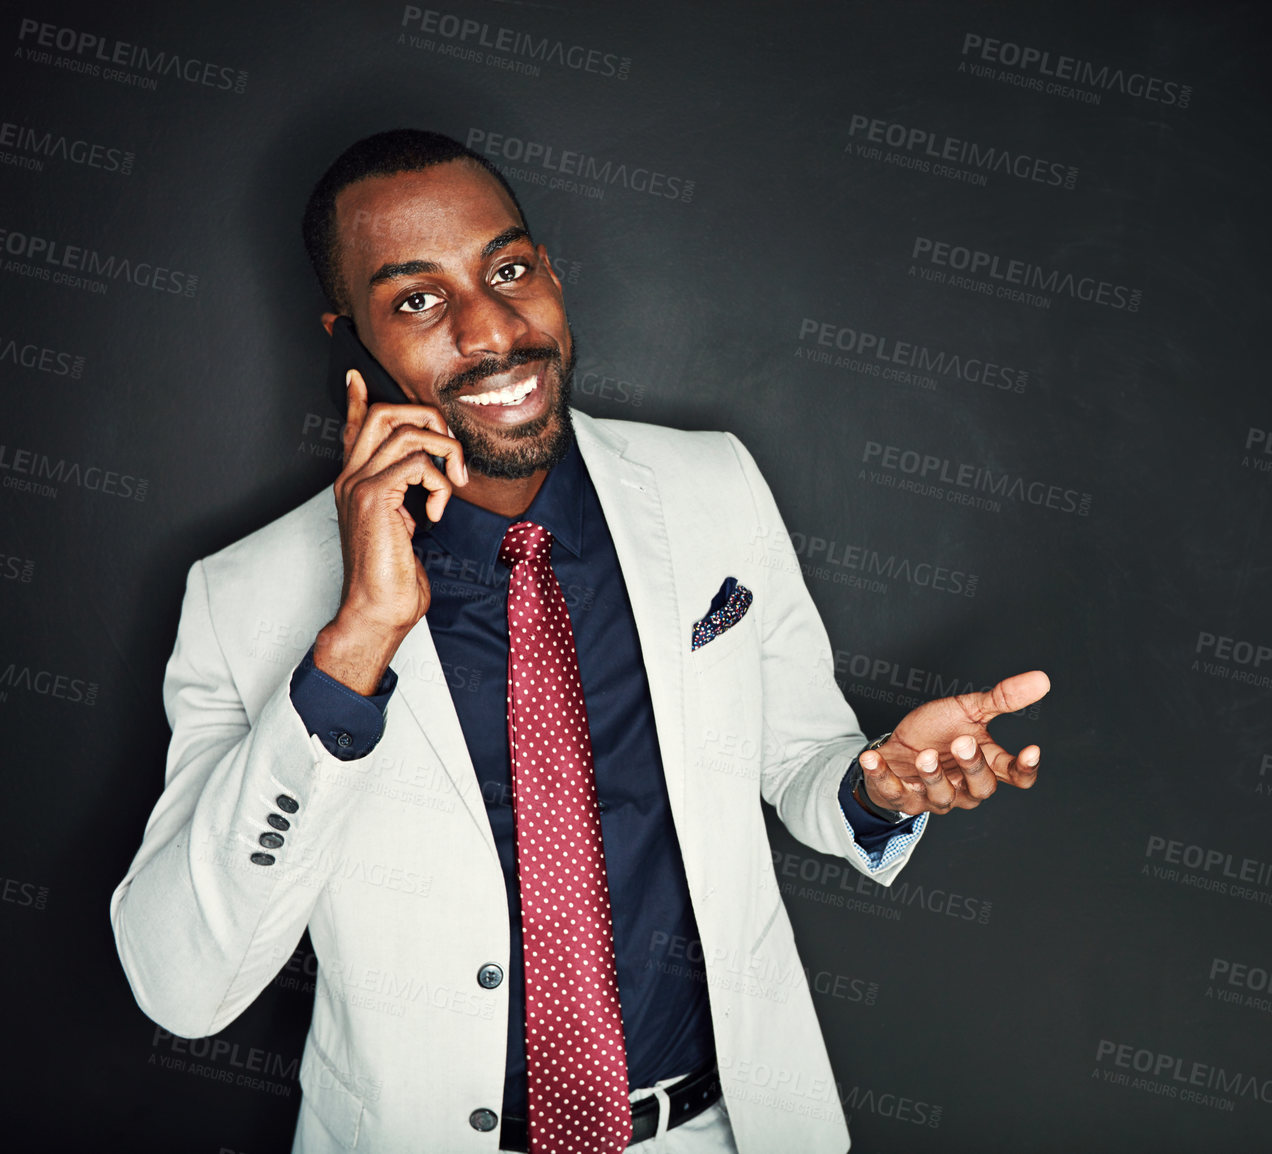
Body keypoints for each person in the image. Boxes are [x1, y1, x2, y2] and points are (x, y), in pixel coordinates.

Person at [109, 130, 1047, 1153]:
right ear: (349, 340)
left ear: (550, 272)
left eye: (508, 269)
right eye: (417, 300)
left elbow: (796, 763)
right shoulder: (241, 597)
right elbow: (183, 984)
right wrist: (353, 645)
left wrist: (878, 782)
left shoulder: (711, 485)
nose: (492, 330)